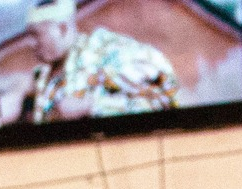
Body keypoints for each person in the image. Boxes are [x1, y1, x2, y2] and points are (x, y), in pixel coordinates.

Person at [18, 0, 179, 123]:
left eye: (36, 35)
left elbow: (161, 98)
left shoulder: (108, 52)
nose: (31, 44)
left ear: (62, 28)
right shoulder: (41, 77)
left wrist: (91, 106)